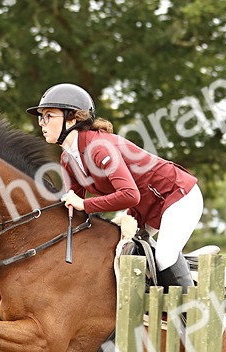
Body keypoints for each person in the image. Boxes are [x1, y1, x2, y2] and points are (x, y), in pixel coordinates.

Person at [28, 83, 201, 290]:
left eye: (48, 116)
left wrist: (84, 203)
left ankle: (193, 317)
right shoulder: (67, 158)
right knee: (119, 252)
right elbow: (74, 209)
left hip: (178, 195)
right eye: (41, 117)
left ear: (72, 118)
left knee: (164, 256)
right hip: (145, 208)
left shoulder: (99, 148)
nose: (41, 123)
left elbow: (129, 195)